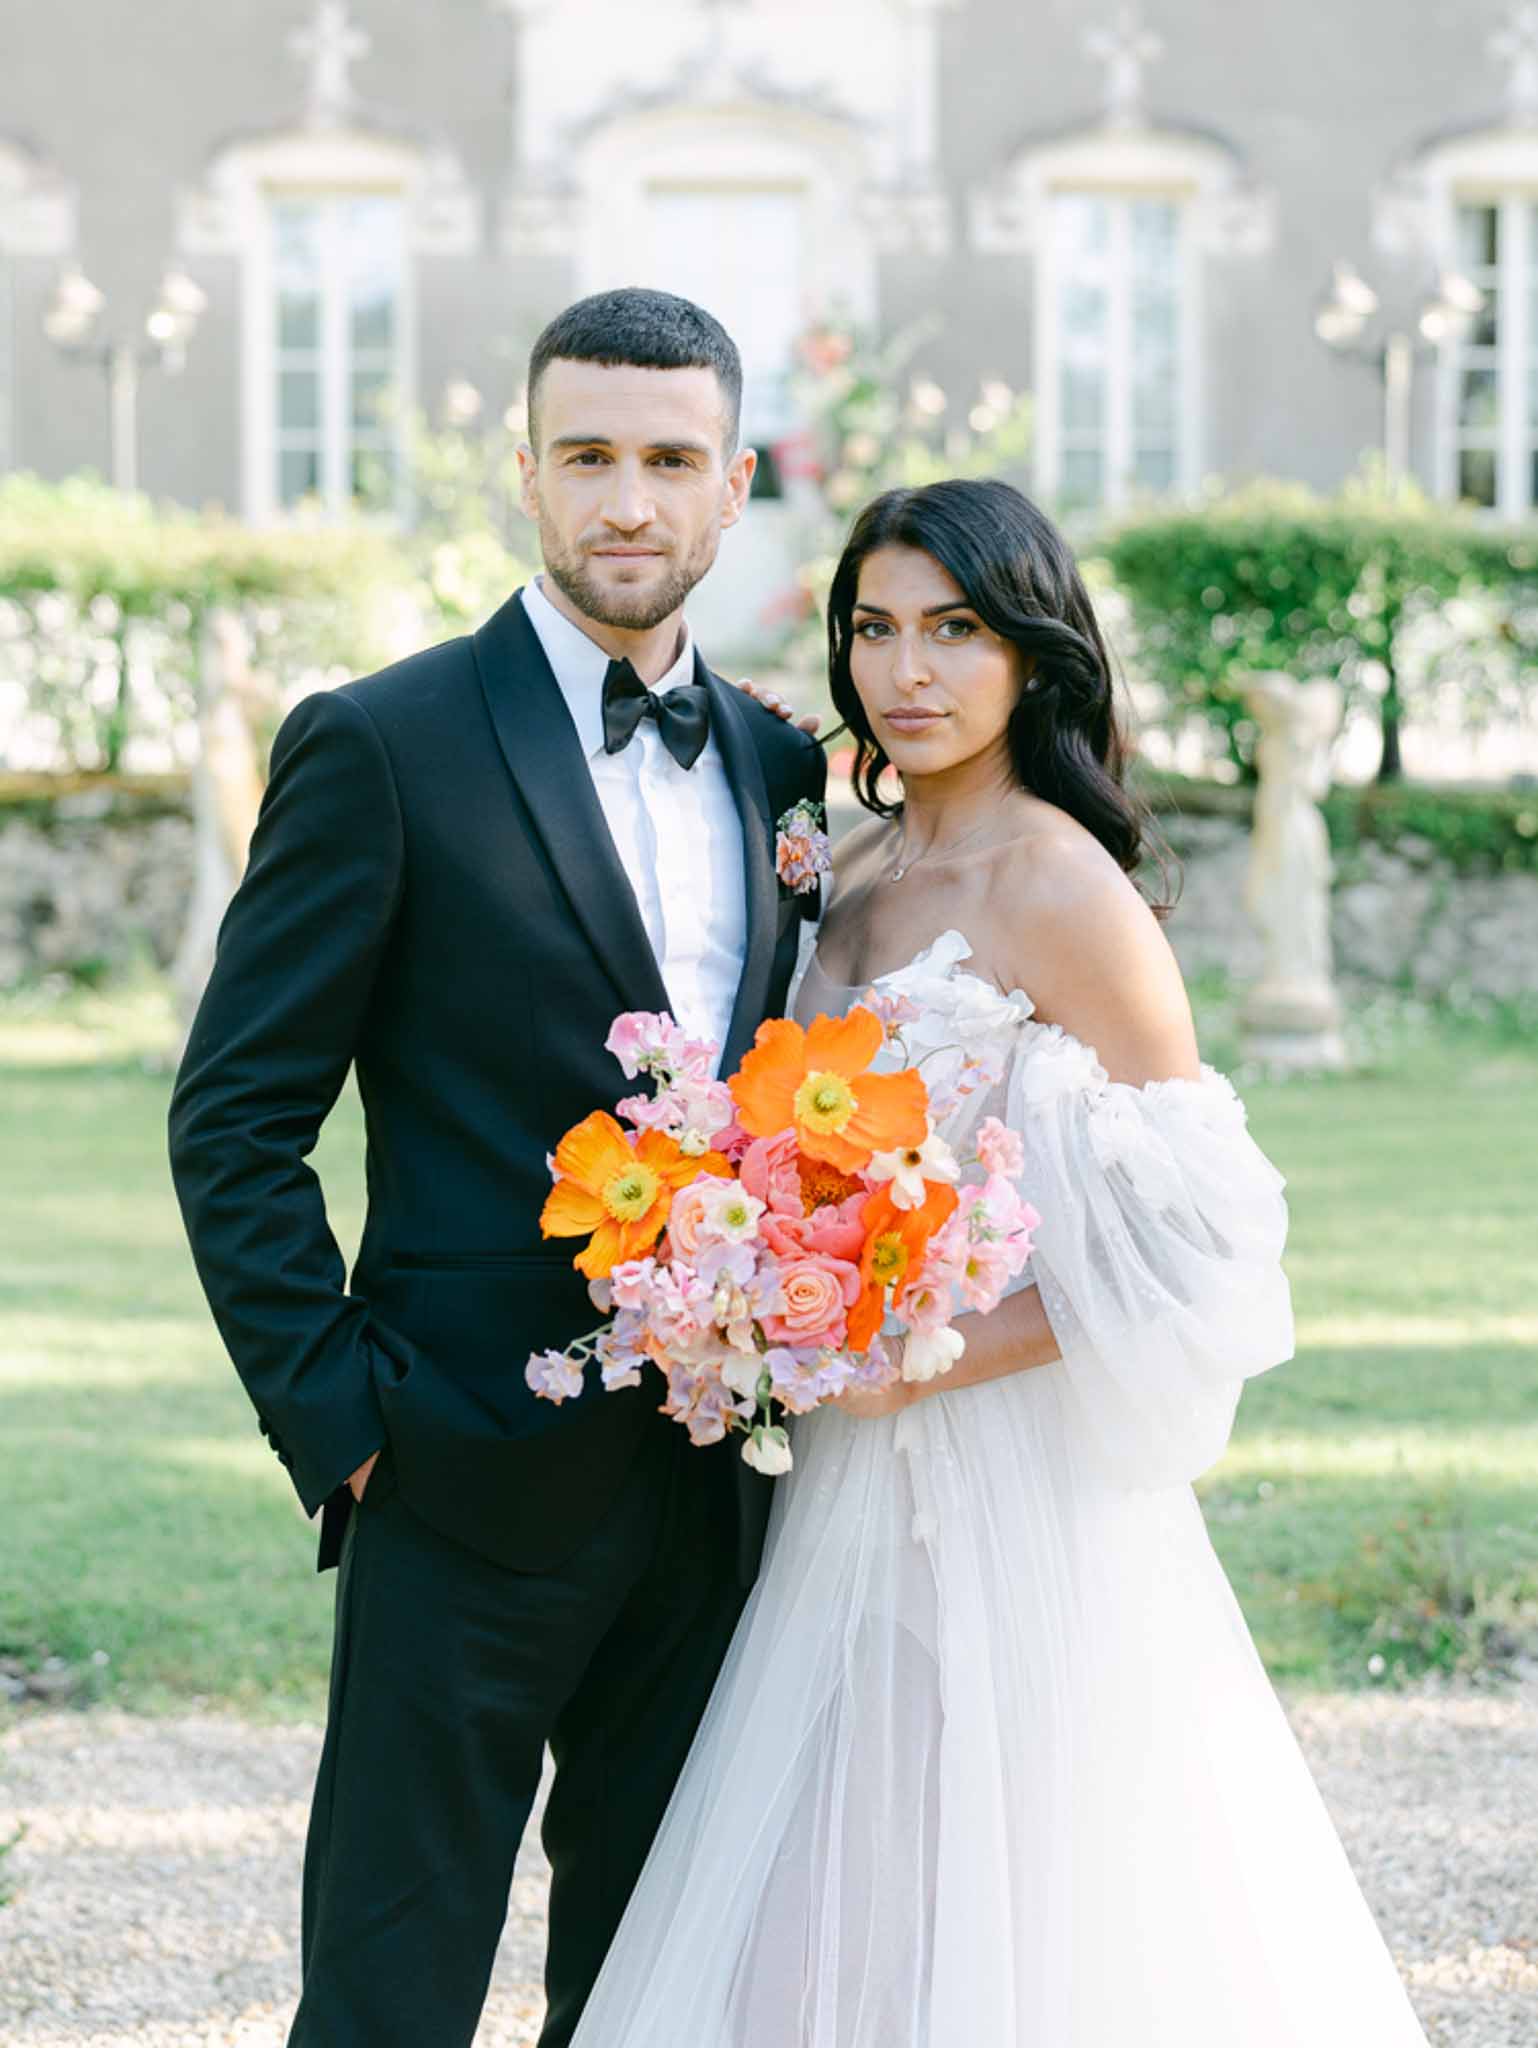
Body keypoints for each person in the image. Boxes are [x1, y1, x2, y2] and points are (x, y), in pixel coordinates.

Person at [566, 479, 1432, 2046]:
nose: (906, 671)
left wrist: (922, 1359)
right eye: (873, 628)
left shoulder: (1062, 889)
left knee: (979, 1901)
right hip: (830, 1474)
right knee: (830, 1904)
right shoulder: (840, 865)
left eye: (954, 630)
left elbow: (1209, 1243)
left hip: (995, 1484)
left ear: (1032, 653)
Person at [166, 287, 825, 2048]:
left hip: (716, 1483)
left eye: (670, 461)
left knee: (655, 1989)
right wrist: (344, 1420)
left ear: (734, 483)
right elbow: (235, 1114)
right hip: (449, 1464)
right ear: (524, 473)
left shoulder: (783, 766)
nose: (628, 501)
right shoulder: (381, 742)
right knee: (387, 1989)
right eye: (587, 456)